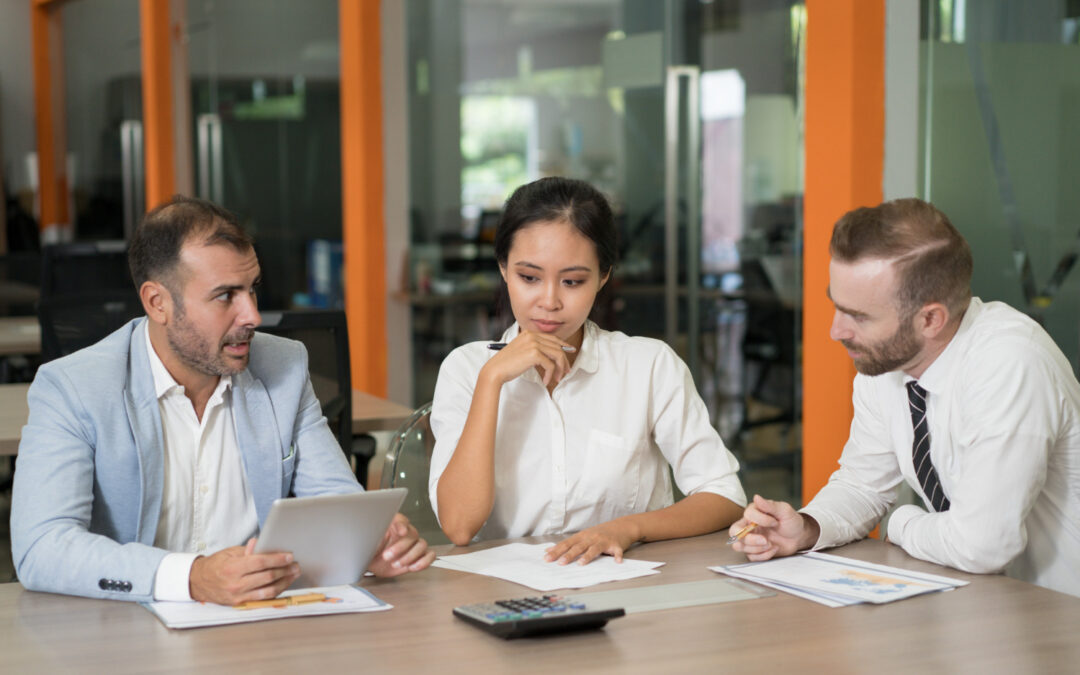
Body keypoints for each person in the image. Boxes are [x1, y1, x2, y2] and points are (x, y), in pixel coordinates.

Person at [11, 195, 435, 605]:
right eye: (225, 295)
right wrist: (192, 577)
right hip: (128, 632)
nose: (252, 315)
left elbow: (335, 499)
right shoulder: (73, 387)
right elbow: (42, 547)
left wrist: (369, 541)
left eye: (252, 289)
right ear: (157, 303)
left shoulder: (284, 366)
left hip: (260, 626)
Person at [731, 198, 1080, 597]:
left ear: (930, 319)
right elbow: (863, 486)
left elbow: (983, 545)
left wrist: (900, 522)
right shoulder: (887, 362)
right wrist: (806, 528)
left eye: (859, 316)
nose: (836, 331)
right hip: (985, 604)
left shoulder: (1010, 362)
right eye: (837, 306)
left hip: (1062, 616)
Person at [429, 177, 746, 565]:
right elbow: (459, 526)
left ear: (604, 277)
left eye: (573, 281)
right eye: (529, 277)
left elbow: (725, 496)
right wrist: (492, 380)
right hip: (508, 598)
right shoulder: (467, 370)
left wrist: (628, 528)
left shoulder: (648, 366)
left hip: (628, 592)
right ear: (503, 268)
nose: (549, 301)